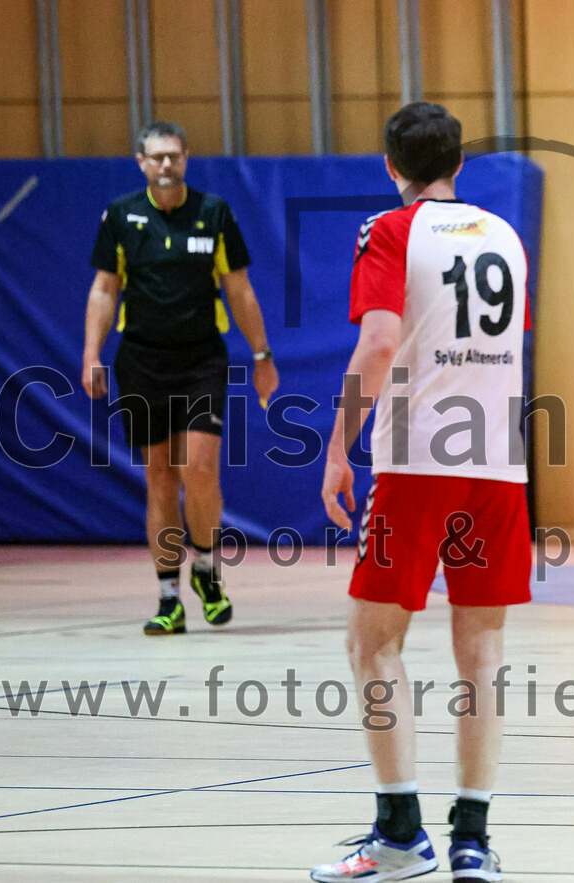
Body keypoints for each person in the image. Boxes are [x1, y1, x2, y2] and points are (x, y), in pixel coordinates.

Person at [312, 102, 531, 881]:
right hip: (500, 463)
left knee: (373, 644)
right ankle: (472, 840)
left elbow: (377, 340)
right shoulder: (504, 235)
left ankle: (400, 831)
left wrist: (340, 444)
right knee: (483, 650)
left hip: (417, 459)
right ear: (460, 164)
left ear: (389, 166)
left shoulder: (391, 230)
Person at [82, 120, 279, 636]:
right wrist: (91, 354)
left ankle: (208, 571)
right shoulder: (121, 217)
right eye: (156, 157)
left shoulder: (213, 214)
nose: (166, 165)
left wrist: (262, 354)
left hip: (200, 361)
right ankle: (168, 596)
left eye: (174, 156)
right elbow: (105, 289)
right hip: (142, 361)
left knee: (200, 468)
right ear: (141, 162)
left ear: (186, 159)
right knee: (160, 478)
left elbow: (239, 289)